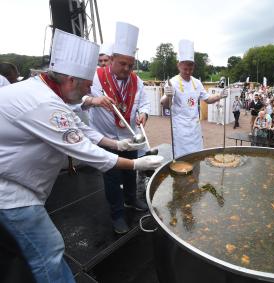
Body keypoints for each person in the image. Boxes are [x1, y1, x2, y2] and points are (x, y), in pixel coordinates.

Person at [0, 29, 162, 283]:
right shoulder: (43, 102)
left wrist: (120, 145)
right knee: (49, 251)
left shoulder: (50, 93)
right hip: (8, 190)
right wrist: (136, 163)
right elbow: (84, 150)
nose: (90, 90)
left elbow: (83, 129)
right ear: (70, 79)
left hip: (18, 181)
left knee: (23, 254)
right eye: (87, 84)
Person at [79, 22, 152, 234]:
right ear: (110, 60)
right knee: (112, 176)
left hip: (129, 135)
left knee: (131, 170)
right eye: (123, 64)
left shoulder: (136, 81)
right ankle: (117, 214)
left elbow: (144, 102)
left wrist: (143, 114)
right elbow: (75, 101)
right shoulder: (94, 77)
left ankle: (131, 200)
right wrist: (93, 100)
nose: (128, 70)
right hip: (106, 137)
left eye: (131, 65)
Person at [160, 39, 225, 158]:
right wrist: (167, 95)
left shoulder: (197, 82)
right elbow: (164, 103)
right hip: (180, 130)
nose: (188, 72)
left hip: (195, 130)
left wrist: (219, 95)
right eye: (185, 69)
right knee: (182, 160)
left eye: (191, 69)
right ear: (178, 66)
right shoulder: (172, 82)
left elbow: (208, 99)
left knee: (197, 158)